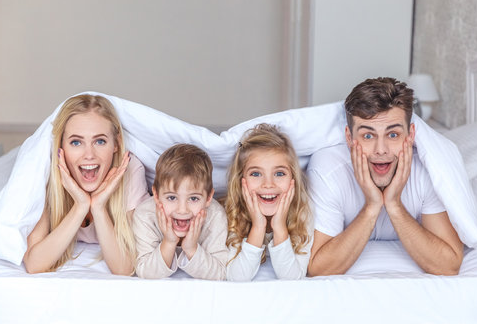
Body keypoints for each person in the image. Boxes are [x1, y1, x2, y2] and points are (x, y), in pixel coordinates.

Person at [307, 77, 464, 276]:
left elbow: (449, 265)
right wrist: (372, 206)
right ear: (349, 138)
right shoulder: (328, 171)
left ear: (410, 135)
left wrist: (394, 205)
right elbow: (317, 267)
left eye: (392, 135)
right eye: (368, 136)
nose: (381, 150)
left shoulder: (427, 170)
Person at [23, 94, 150, 275]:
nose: (89, 154)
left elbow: (124, 268)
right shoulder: (47, 174)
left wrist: (98, 207)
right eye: (76, 142)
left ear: (116, 143)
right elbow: (34, 264)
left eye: (100, 141)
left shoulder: (129, 170)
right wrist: (80, 206)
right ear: (61, 147)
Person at [225, 124, 313, 281]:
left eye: (279, 173)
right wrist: (258, 227)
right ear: (240, 180)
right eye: (256, 173)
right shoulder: (232, 213)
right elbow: (237, 278)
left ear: (293, 178)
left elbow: (291, 278)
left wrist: (279, 226)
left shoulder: (303, 209)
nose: (268, 184)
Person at [132, 144, 228, 280]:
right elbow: (145, 272)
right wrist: (169, 242)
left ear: (208, 198)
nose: (182, 210)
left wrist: (191, 248)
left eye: (193, 198)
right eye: (172, 197)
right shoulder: (145, 215)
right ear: (156, 195)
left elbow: (220, 273)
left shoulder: (215, 215)